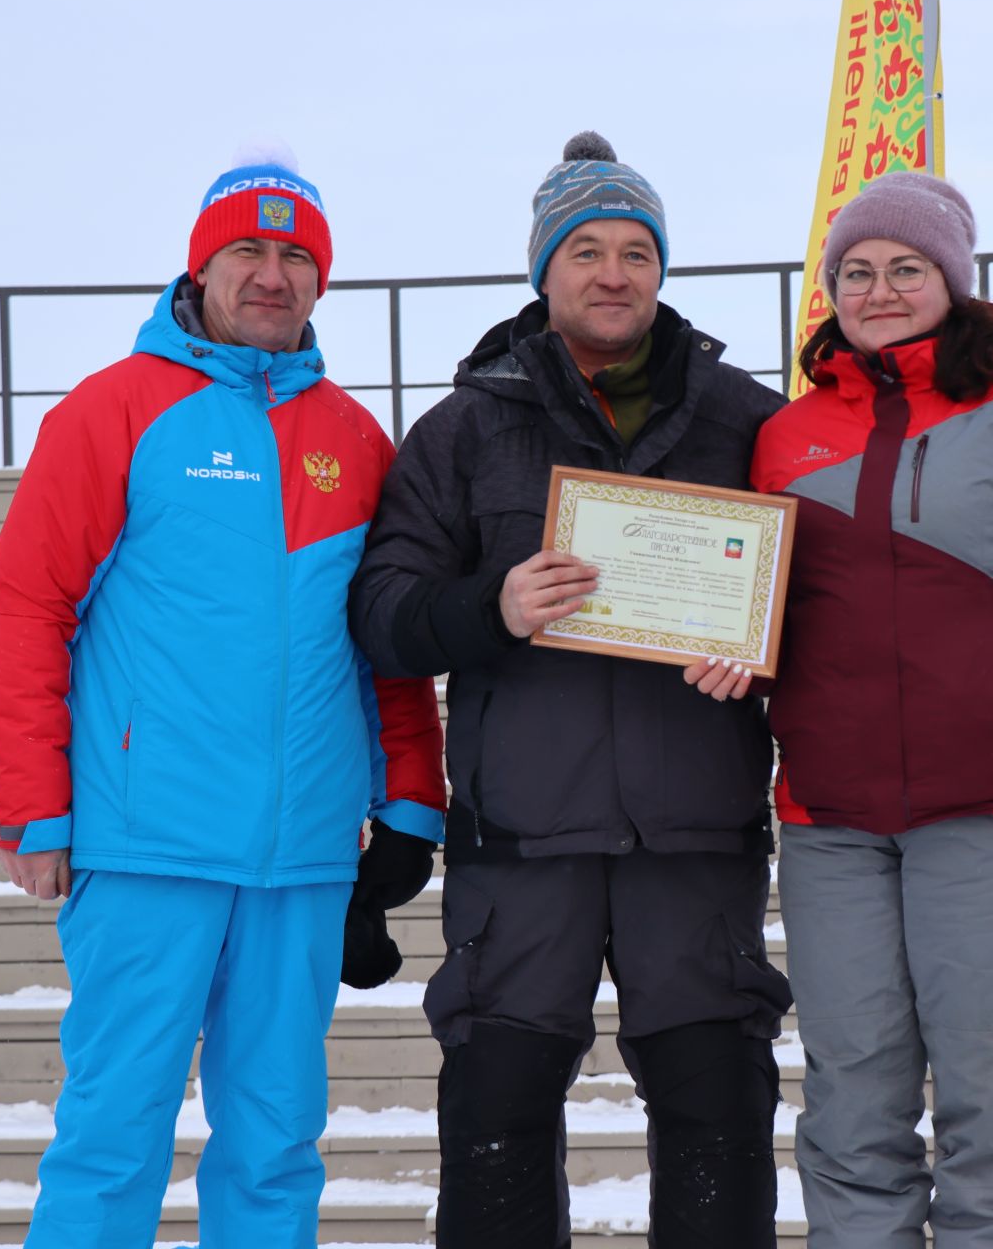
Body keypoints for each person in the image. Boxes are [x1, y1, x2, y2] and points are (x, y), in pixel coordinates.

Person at [0, 144, 447, 1249]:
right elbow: (25, 609)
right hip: (149, 843)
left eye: (296, 256)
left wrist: (415, 799)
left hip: (301, 858)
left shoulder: (355, 438)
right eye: (249, 249)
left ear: (322, 282)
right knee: (113, 1130)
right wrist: (34, 807)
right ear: (201, 267)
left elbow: (384, 640)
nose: (273, 274)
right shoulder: (114, 410)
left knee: (277, 1139)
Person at [350, 131, 793, 1249]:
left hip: (695, 832)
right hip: (523, 840)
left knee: (718, 1120)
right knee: (496, 1123)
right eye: (586, 249)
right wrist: (488, 608)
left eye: (635, 251)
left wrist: (762, 644)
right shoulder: (463, 429)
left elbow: (813, 597)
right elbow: (382, 612)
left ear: (661, 270)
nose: (612, 273)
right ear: (543, 270)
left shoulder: (747, 417)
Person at [694, 171, 993, 1248]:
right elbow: (774, 621)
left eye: (905, 268)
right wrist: (731, 655)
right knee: (851, 1109)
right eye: (856, 272)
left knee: (992, 1101)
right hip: (829, 822)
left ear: (953, 280)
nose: (880, 289)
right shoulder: (786, 435)